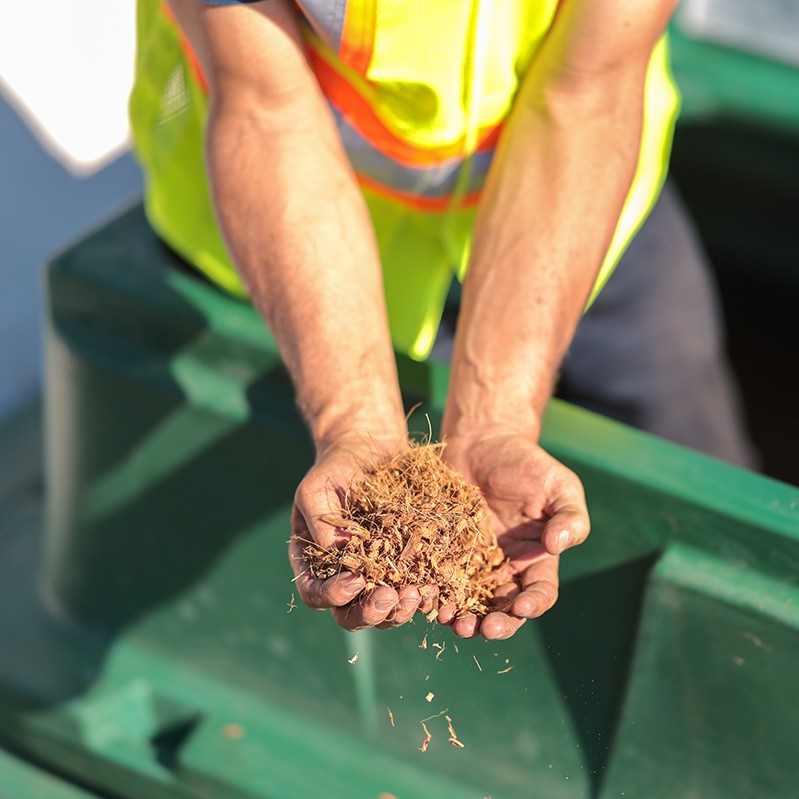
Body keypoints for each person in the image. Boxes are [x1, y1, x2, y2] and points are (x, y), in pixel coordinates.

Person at [129, 0, 755, 640]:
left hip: (579, 217)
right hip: (300, 255)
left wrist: (496, 421)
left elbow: (585, 94)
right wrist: (351, 421)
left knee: (681, 428)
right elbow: (267, 111)